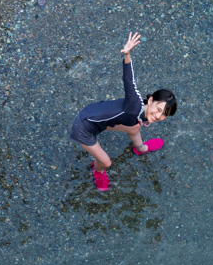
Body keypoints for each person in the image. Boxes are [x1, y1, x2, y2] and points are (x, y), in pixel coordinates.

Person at [70, 31, 177, 191]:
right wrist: (127, 55)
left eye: (164, 115)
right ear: (150, 100)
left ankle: (140, 148)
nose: (158, 116)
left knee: (134, 127)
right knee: (107, 162)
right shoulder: (134, 104)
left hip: (97, 115)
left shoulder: (142, 113)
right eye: (158, 109)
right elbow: (129, 80)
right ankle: (97, 170)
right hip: (84, 126)